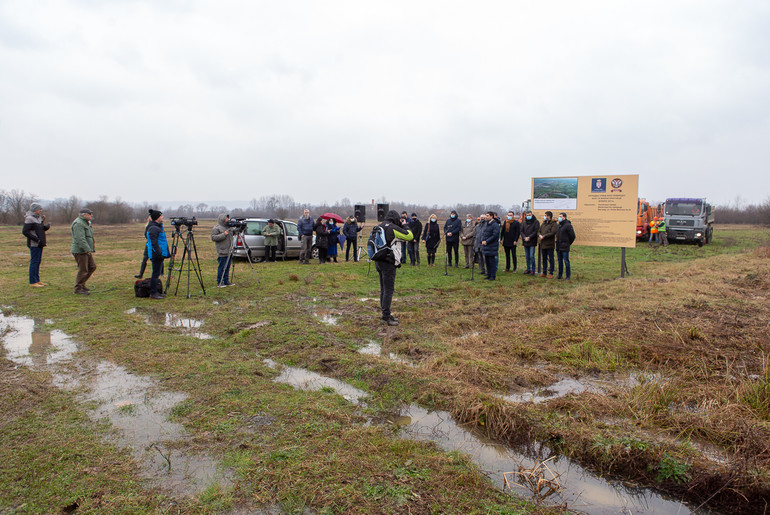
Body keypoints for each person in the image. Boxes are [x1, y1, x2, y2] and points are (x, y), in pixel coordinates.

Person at [375, 210, 413, 326]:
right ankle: (386, 317)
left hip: (378, 260)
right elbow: (409, 236)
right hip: (388, 262)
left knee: (383, 289)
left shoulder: (379, 226)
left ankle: (384, 314)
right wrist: (405, 225)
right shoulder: (392, 228)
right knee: (389, 290)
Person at [22, 202, 50, 288]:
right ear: (35, 210)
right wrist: (36, 239)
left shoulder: (38, 218)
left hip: (40, 244)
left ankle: (37, 280)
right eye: (39, 209)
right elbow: (25, 231)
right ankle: (32, 282)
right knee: (34, 262)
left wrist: (45, 227)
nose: (41, 210)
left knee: (38, 262)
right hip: (34, 244)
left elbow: (39, 229)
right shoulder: (29, 218)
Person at [70, 208, 96, 295]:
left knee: (92, 267)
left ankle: (82, 284)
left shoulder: (85, 223)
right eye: (89, 214)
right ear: (83, 215)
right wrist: (87, 249)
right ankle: (78, 289)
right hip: (80, 251)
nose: (91, 215)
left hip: (85, 250)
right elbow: (80, 239)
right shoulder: (78, 224)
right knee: (83, 270)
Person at [146, 209, 170, 299]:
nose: (162, 217)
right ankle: (153, 293)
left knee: (157, 273)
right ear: (157, 218)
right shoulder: (153, 228)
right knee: (155, 274)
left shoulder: (158, 227)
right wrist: (159, 253)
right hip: (156, 254)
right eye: (161, 216)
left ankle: (156, 292)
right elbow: (154, 243)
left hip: (159, 254)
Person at [211, 213, 234, 287]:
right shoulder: (217, 228)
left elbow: (235, 232)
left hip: (229, 250)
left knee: (227, 266)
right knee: (222, 267)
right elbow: (213, 238)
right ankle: (219, 281)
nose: (227, 220)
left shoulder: (229, 227)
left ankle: (226, 280)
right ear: (222, 219)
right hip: (222, 250)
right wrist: (224, 234)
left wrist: (241, 227)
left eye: (228, 218)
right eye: (226, 218)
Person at [555, 212, 576, 280]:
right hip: (558, 246)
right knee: (559, 261)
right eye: (559, 216)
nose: (559, 218)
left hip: (565, 246)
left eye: (560, 216)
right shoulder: (558, 225)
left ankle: (568, 276)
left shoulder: (568, 225)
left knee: (566, 261)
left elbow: (572, 236)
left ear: (564, 217)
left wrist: (568, 243)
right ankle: (560, 275)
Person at [481, 211, 500, 280]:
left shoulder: (495, 225)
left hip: (492, 246)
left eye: (487, 216)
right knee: (487, 261)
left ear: (491, 217)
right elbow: (483, 233)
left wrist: (487, 241)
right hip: (485, 246)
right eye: (486, 215)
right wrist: (482, 240)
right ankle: (488, 274)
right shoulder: (486, 224)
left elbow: (495, 235)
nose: (486, 217)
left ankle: (493, 276)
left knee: (492, 261)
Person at [538, 211, 557, 278]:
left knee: (551, 259)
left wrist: (544, 236)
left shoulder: (553, 224)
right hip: (543, 244)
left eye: (546, 215)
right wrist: (539, 235)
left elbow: (552, 232)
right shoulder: (543, 223)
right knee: (544, 259)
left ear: (549, 216)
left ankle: (551, 273)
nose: (545, 216)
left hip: (550, 244)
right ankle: (544, 272)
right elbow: (539, 230)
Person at [520, 210, 540, 275]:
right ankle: (528, 269)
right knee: (527, 256)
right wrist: (524, 237)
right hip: (525, 241)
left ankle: (533, 270)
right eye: (527, 215)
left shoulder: (536, 222)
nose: (528, 216)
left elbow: (535, 231)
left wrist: (529, 237)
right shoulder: (524, 222)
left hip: (532, 241)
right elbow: (521, 231)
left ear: (532, 215)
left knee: (531, 256)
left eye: (529, 215)